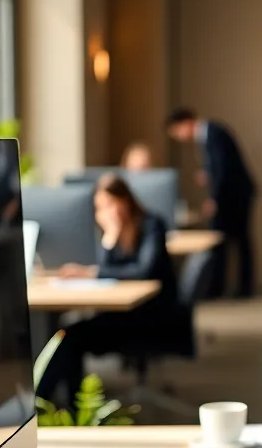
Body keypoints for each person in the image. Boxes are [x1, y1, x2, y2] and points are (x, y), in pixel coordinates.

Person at [36, 173, 180, 406]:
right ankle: (66, 405)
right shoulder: (114, 231)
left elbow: (144, 271)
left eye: (110, 204)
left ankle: (48, 402)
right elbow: (107, 268)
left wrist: (93, 271)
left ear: (125, 200)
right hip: (125, 315)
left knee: (71, 337)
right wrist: (111, 236)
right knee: (68, 332)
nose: (106, 212)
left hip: (152, 317)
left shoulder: (152, 225)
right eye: (100, 207)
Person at [166, 108, 256, 298]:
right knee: (227, 240)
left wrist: (214, 199)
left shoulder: (213, 133)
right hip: (230, 195)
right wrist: (208, 174)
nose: (180, 138)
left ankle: (236, 289)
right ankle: (221, 288)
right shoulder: (208, 136)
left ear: (186, 122)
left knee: (234, 240)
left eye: (178, 132)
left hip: (235, 196)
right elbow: (219, 165)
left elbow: (224, 169)